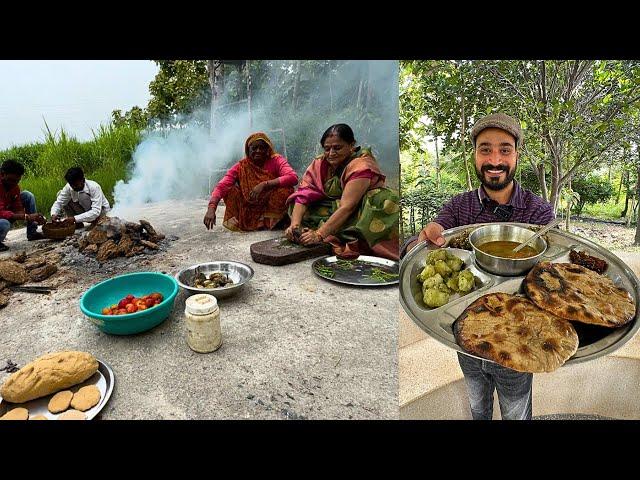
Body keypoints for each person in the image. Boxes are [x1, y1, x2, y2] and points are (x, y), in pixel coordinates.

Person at [402, 113, 555, 420]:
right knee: (477, 409)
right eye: (485, 149)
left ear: (516, 156)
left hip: (518, 348)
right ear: (474, 155)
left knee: (516, 414)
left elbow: (548, 278)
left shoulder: (537, 211)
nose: (494, 159)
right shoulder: (460, 207)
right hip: (466, 342)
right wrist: (421, 241)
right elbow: (435, 232)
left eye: (504, 150)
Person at [285, 124, 399, 260]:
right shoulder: (319, 163)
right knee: (296, 206)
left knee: (376, 205)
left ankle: (348, 235)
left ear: (351, 145)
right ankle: (319, 229)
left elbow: (347, 206)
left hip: (359, 207)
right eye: (327, 149)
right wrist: (294, 225)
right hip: (333, 205)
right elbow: (303, 195)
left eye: (337, 148)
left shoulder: (361, 165)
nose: (331, 153)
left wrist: (319, 234)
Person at [204, 132, 298, 231]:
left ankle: (272, 222)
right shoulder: (241, 167)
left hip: (269, 204)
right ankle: (244, 222)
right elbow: (221, 186)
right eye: (254, 148)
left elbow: (292, 177)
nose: (258, 151)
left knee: (286, 189)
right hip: (248, 207)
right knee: (230, 190)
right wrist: (211, 208)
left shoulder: (276, 160)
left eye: (261, 148)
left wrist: (264, 184)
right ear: (248, 150)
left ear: (267, 150)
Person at [0, 159, 46, 251]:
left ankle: (32, 233)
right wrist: (26, 216)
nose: (14, 184)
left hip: (5, 213)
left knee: (27, 196)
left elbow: (18, 207)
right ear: (3, 174)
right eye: (11, 180)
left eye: (17, 181)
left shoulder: (14, 186)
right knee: (4, 224)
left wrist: (31, 218)